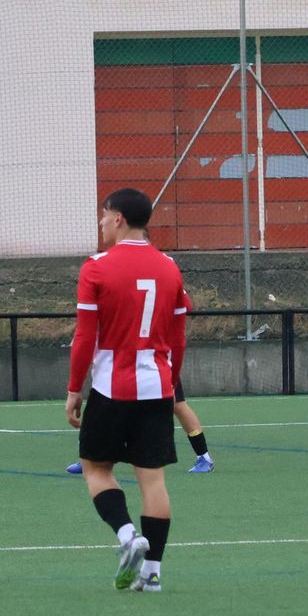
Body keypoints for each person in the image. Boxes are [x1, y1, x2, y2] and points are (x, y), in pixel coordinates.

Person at [65, 187, 188, 593]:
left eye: (103, 216)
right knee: (153, 481)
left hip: (110, 387)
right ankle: (152, 573)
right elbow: (178, 335)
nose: (101, 224)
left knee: (96, 468)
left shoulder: (97, 267)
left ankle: (126, 536)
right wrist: (172, 385)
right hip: (157, 386)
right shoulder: (170, 267)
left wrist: (73, 389)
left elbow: (85, 336)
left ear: (118, 218)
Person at [66, 382, 214, 475]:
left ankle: (204, 457)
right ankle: (89, 459)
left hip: (153, 359)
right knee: (101, 405)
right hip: (118, 359)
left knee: (177, 404)